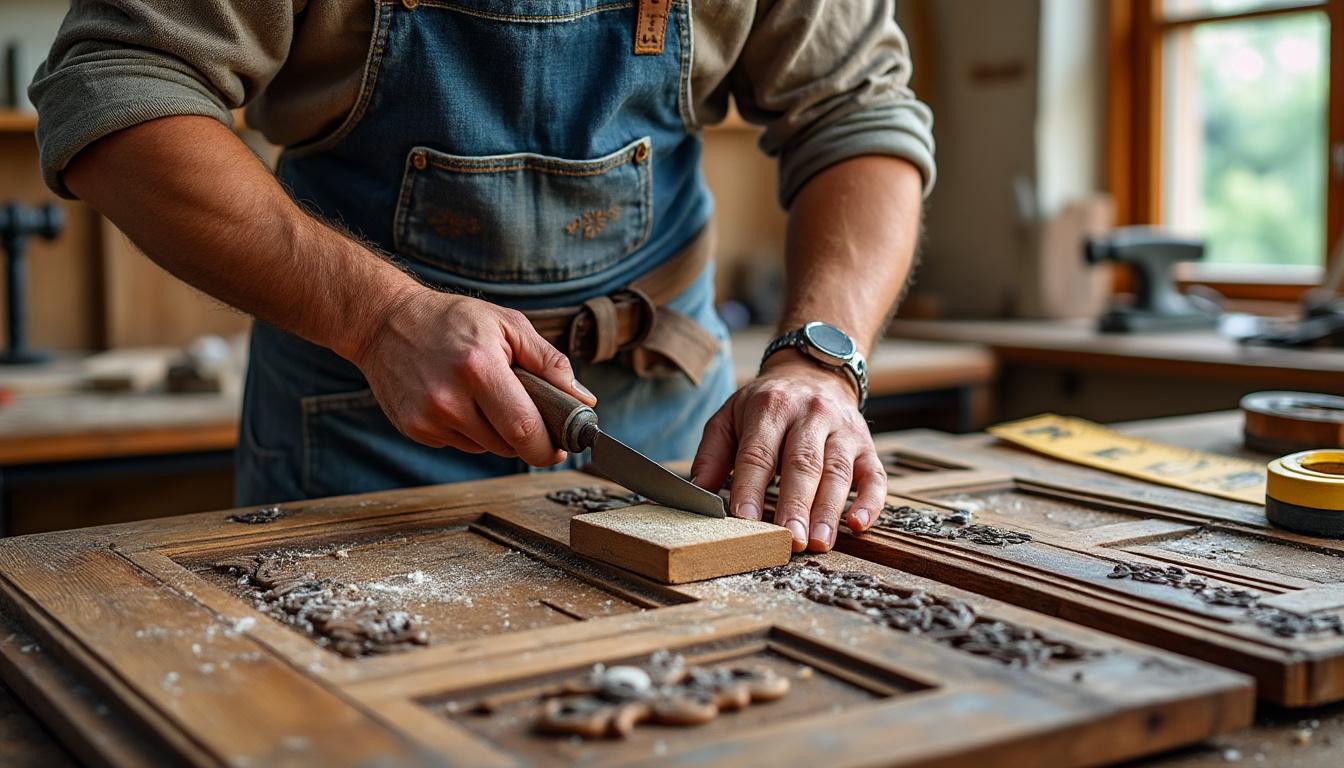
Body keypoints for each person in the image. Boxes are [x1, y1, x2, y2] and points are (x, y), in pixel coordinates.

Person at [30, 0, 933, 554]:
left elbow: (857, 109)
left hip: (670, 424)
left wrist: (819, 358)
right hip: (359, 425)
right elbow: (116, 85)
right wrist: (378, 317)